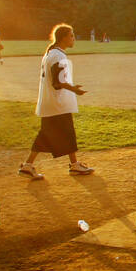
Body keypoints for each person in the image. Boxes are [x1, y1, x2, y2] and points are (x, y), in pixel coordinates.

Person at [19, 24, 94, 179]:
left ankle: (29, 165)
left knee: (51, 134)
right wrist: (75, 90)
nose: (73, 39)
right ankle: (73, 165)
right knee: (66, 133)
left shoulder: (51, 53)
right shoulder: (58, 56)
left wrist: (72, 87)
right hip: (57, 104)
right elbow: (57, 83)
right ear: (63, 38)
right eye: (71, 35)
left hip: (51, 103)